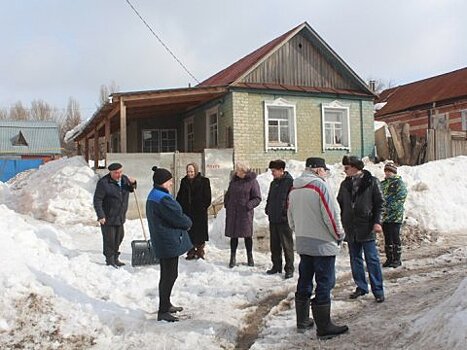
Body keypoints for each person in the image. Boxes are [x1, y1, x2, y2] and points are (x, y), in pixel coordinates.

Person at [288, 157, 348, 339]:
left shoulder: (294, 188)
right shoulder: (319, 186)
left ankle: (303, 321)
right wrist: (339, 234)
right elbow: (331, 215)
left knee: (304, 279)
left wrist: (299, 232)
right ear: (317, 170)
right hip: (322, 243)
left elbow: (290, 217)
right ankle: (324, 327)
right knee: (324, 282)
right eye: (324, 170)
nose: (325, 174)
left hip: (303, 241)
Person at [146, 166, 193, 322]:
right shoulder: (163, 199)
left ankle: (166, 305)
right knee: (169, 275)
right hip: (167, 241)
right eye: (169, 180)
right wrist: (188, 222)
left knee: (167, 274)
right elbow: (177, 217)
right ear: (162, 182)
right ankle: (163, 311)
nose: (172, 183)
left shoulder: (154, 194)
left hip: (162, 240)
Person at [337, 155, 385, 303]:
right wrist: (344, 219)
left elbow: (380, 204)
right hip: (351, 227)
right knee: (355, 259)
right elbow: (340, 203)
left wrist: (377, 222)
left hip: (367, 225)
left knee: (372, 259)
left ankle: (378, 290)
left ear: (355, 168)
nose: (344, 171)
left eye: (347, 168)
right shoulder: (345, 184)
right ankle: (361, 287)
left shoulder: (371, 182)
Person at [93, 162, 136, 268]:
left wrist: (133, 183)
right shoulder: (104, 183)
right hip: (108, 216)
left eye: (120, 172)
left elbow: (131, 189)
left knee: (119, 237)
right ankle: (110, 259)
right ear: (111, 173)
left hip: (120, 216)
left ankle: (116, 258)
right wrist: (100, 215)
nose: (119, 174)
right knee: (109, 239)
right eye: (116, 173)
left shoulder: (124, 179)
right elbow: (97, 200)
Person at [224, 161, 261, 268]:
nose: (236, 171)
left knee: (247, 236)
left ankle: (250, 257)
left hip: (245, 214)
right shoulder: (234, 181)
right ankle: (232, 258)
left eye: (238, 170)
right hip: (233, 212)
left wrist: (248, 206)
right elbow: (228, 194)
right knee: (233, 236)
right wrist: (227, 204)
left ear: (244, 171)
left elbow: (257, 198)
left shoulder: (252, 182)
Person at [265, 159, 295, 279]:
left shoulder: (290, 183)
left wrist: (285, 213)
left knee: (287, 245)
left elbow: (291, 201)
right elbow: (270, 198)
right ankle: (276, 266)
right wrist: (268, 209)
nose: (272, 173)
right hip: (273, 218)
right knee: (274, 245)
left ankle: (289, 268)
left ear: (281, 170)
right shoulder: (274, 183)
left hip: (284, 219)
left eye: (274, 171)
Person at [176, 162, 212, 260]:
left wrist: (203, 207)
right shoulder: (184, 181)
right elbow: (180, 196)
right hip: (188, 212)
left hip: (199, 213)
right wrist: (179, 207)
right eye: (188, 172)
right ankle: (191, 251)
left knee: (200, 233)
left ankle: (200, 251)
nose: (190, 174)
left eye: (192, 171)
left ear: (196, 171)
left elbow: (208, 197)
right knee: (189, 233)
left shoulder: (204, 181)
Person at [381, 162, 408, 268]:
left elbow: (401, 197)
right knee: (387, 237)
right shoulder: (382, 184)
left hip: (395, 215)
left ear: (394, 172)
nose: (387, 173)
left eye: (390, 171)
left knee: (395, 236)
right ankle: (389, 258)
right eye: (386, 171)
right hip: (385, 216)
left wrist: (389, 207)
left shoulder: (399, 183)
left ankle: (397, 259)